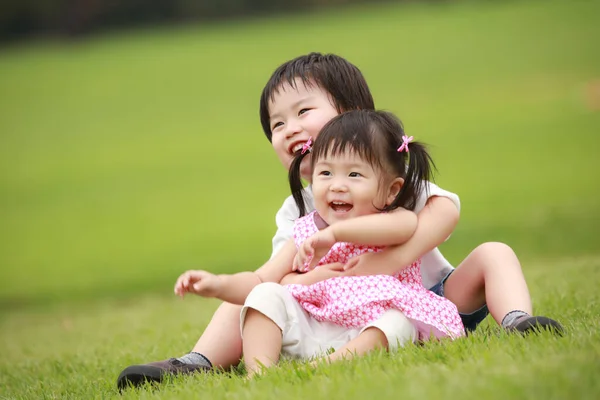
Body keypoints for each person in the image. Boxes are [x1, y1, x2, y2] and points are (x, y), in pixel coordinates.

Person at [117, 52, 562, 388]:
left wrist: (389, 261)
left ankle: (517, 319)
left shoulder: (389, 180)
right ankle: (198, 361)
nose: (289, 128)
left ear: (353, 115)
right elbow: (278, 280)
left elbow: (444, 211)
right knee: (254, 294)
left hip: (431, 299)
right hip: (343, 314)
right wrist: (296, 281)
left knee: (493, 253)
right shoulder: (298, 211)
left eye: (302, 112)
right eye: (276, 124)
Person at [236, 109, 464, 376]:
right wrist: (309, 278)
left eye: (354, 175)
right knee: (265, 295)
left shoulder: (395, 219)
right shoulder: (309, 229)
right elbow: (284, 282)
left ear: (391, 191)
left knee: (399, 323)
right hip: (313, 327)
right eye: (326, 174)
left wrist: (336, 234)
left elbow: (405, 227)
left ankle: (323, 367)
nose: (338, 186)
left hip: (365, 331)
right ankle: (259, 373)